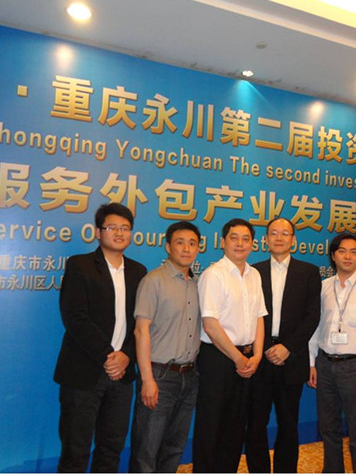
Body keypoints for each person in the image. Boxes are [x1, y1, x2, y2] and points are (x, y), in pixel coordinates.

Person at [54, 203, 147, 472]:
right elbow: (75, 318)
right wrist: (109, 356)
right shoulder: (80, 265)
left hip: (122, 375)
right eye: (112, 227)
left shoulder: (138, 271)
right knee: (75, 450)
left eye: (125, 228)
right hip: (84, 372)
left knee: (111, 448)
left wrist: (126, 356)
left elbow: (140, 322)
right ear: (98, 232)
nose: (119, 233)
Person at [246, 217, 321, 473]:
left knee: (289, 425)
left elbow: (312, 317)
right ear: (265, 239)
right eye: (274, 233)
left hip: (292, 359)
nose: (279, 238)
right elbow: (248, 314)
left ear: (293, 240)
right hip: (260, 357)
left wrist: (287, 347)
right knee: (255, 424)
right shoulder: (253, 271)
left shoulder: (309, 272)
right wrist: (266, 347)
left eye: (285, 233)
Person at [193, 218, 268, 473]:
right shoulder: (213, 275)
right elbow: (210, 324)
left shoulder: (254, 274)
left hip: (247, 358)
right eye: (234, 238)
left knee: (236, 427)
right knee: (211, 426)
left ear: (253, 244)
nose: (240, 243)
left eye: (246, 239)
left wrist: (257, 355)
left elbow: (259, 316)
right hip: (218, 359)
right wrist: (238, 358)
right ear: (223, 242)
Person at [308, 233, 356, 473]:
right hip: (324, 364)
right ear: (333, 255)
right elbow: (315, 328)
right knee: (328, 428)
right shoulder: (323, 287)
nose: (348, 256)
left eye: (354, 252)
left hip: (355, 367)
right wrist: (311, 363)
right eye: (342, 251)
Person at [129, 221, 202, 473]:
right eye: (180, 242)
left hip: (190, 377)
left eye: (192, 243)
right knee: (146, 450)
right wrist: (147, 379)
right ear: (168, 246)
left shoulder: (197, 284)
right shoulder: (154, 281)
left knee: (174, 448)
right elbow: (141, 331)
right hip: (159, 376)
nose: (186, 249)